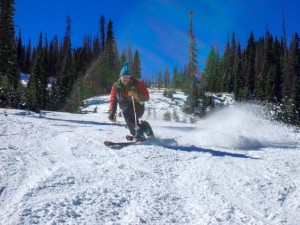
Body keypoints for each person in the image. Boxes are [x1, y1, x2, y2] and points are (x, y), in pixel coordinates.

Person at [108, 62, 154, 141]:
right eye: (124, 77)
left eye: (128, 77)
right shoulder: (115, 87)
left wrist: (137, 96)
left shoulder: (137, 83)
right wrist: (112, 112)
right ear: (120, 76)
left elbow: (147, 97)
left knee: (127, 114)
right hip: (126, 109)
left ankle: (137, 133)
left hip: (138, 107)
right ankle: (145, 127)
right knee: (128, 115)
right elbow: (113, 100)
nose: (126, 79)